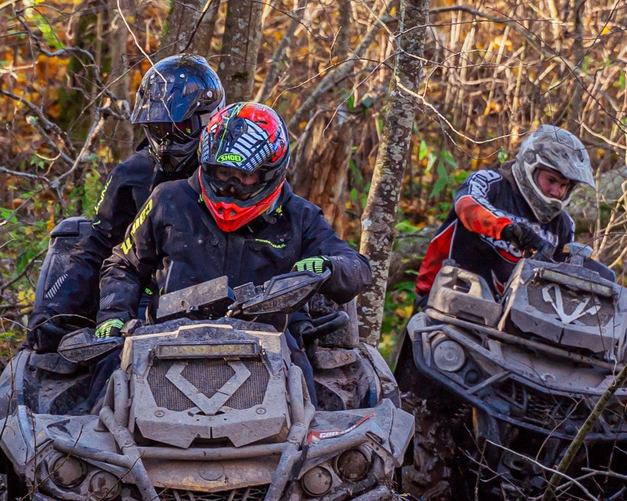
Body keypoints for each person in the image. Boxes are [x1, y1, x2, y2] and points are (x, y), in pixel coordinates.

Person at [94, 102, 373, 340]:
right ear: (206, 164)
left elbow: (358, 268)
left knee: (308, 398)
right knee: (109, 388)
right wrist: (113, 316)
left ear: (270, 172)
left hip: (269, 346)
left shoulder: (299, 216)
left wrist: (328, 266)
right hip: (166, 339)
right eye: (223, 173)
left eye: (244, 177)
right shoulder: (169, 199)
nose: (231, 188)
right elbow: (124, 264)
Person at [31, 54, 223, 349]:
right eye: (160, 129)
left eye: (180, 127)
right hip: (140, 309)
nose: (169, 139)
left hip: (224, 304)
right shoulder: (133, 174)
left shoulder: (235, 174)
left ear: (209, 118)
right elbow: (96, 246)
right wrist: (53, 310)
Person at [414, 124, 597, 297]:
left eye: (564, 185)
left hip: (509, 320)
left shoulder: (563, 225)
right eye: (551, 180)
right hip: (442, 299)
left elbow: (561, 284)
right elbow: (467, 207)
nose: (556, 191)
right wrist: (507, 229)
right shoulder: (489, 183)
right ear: (531, 166)